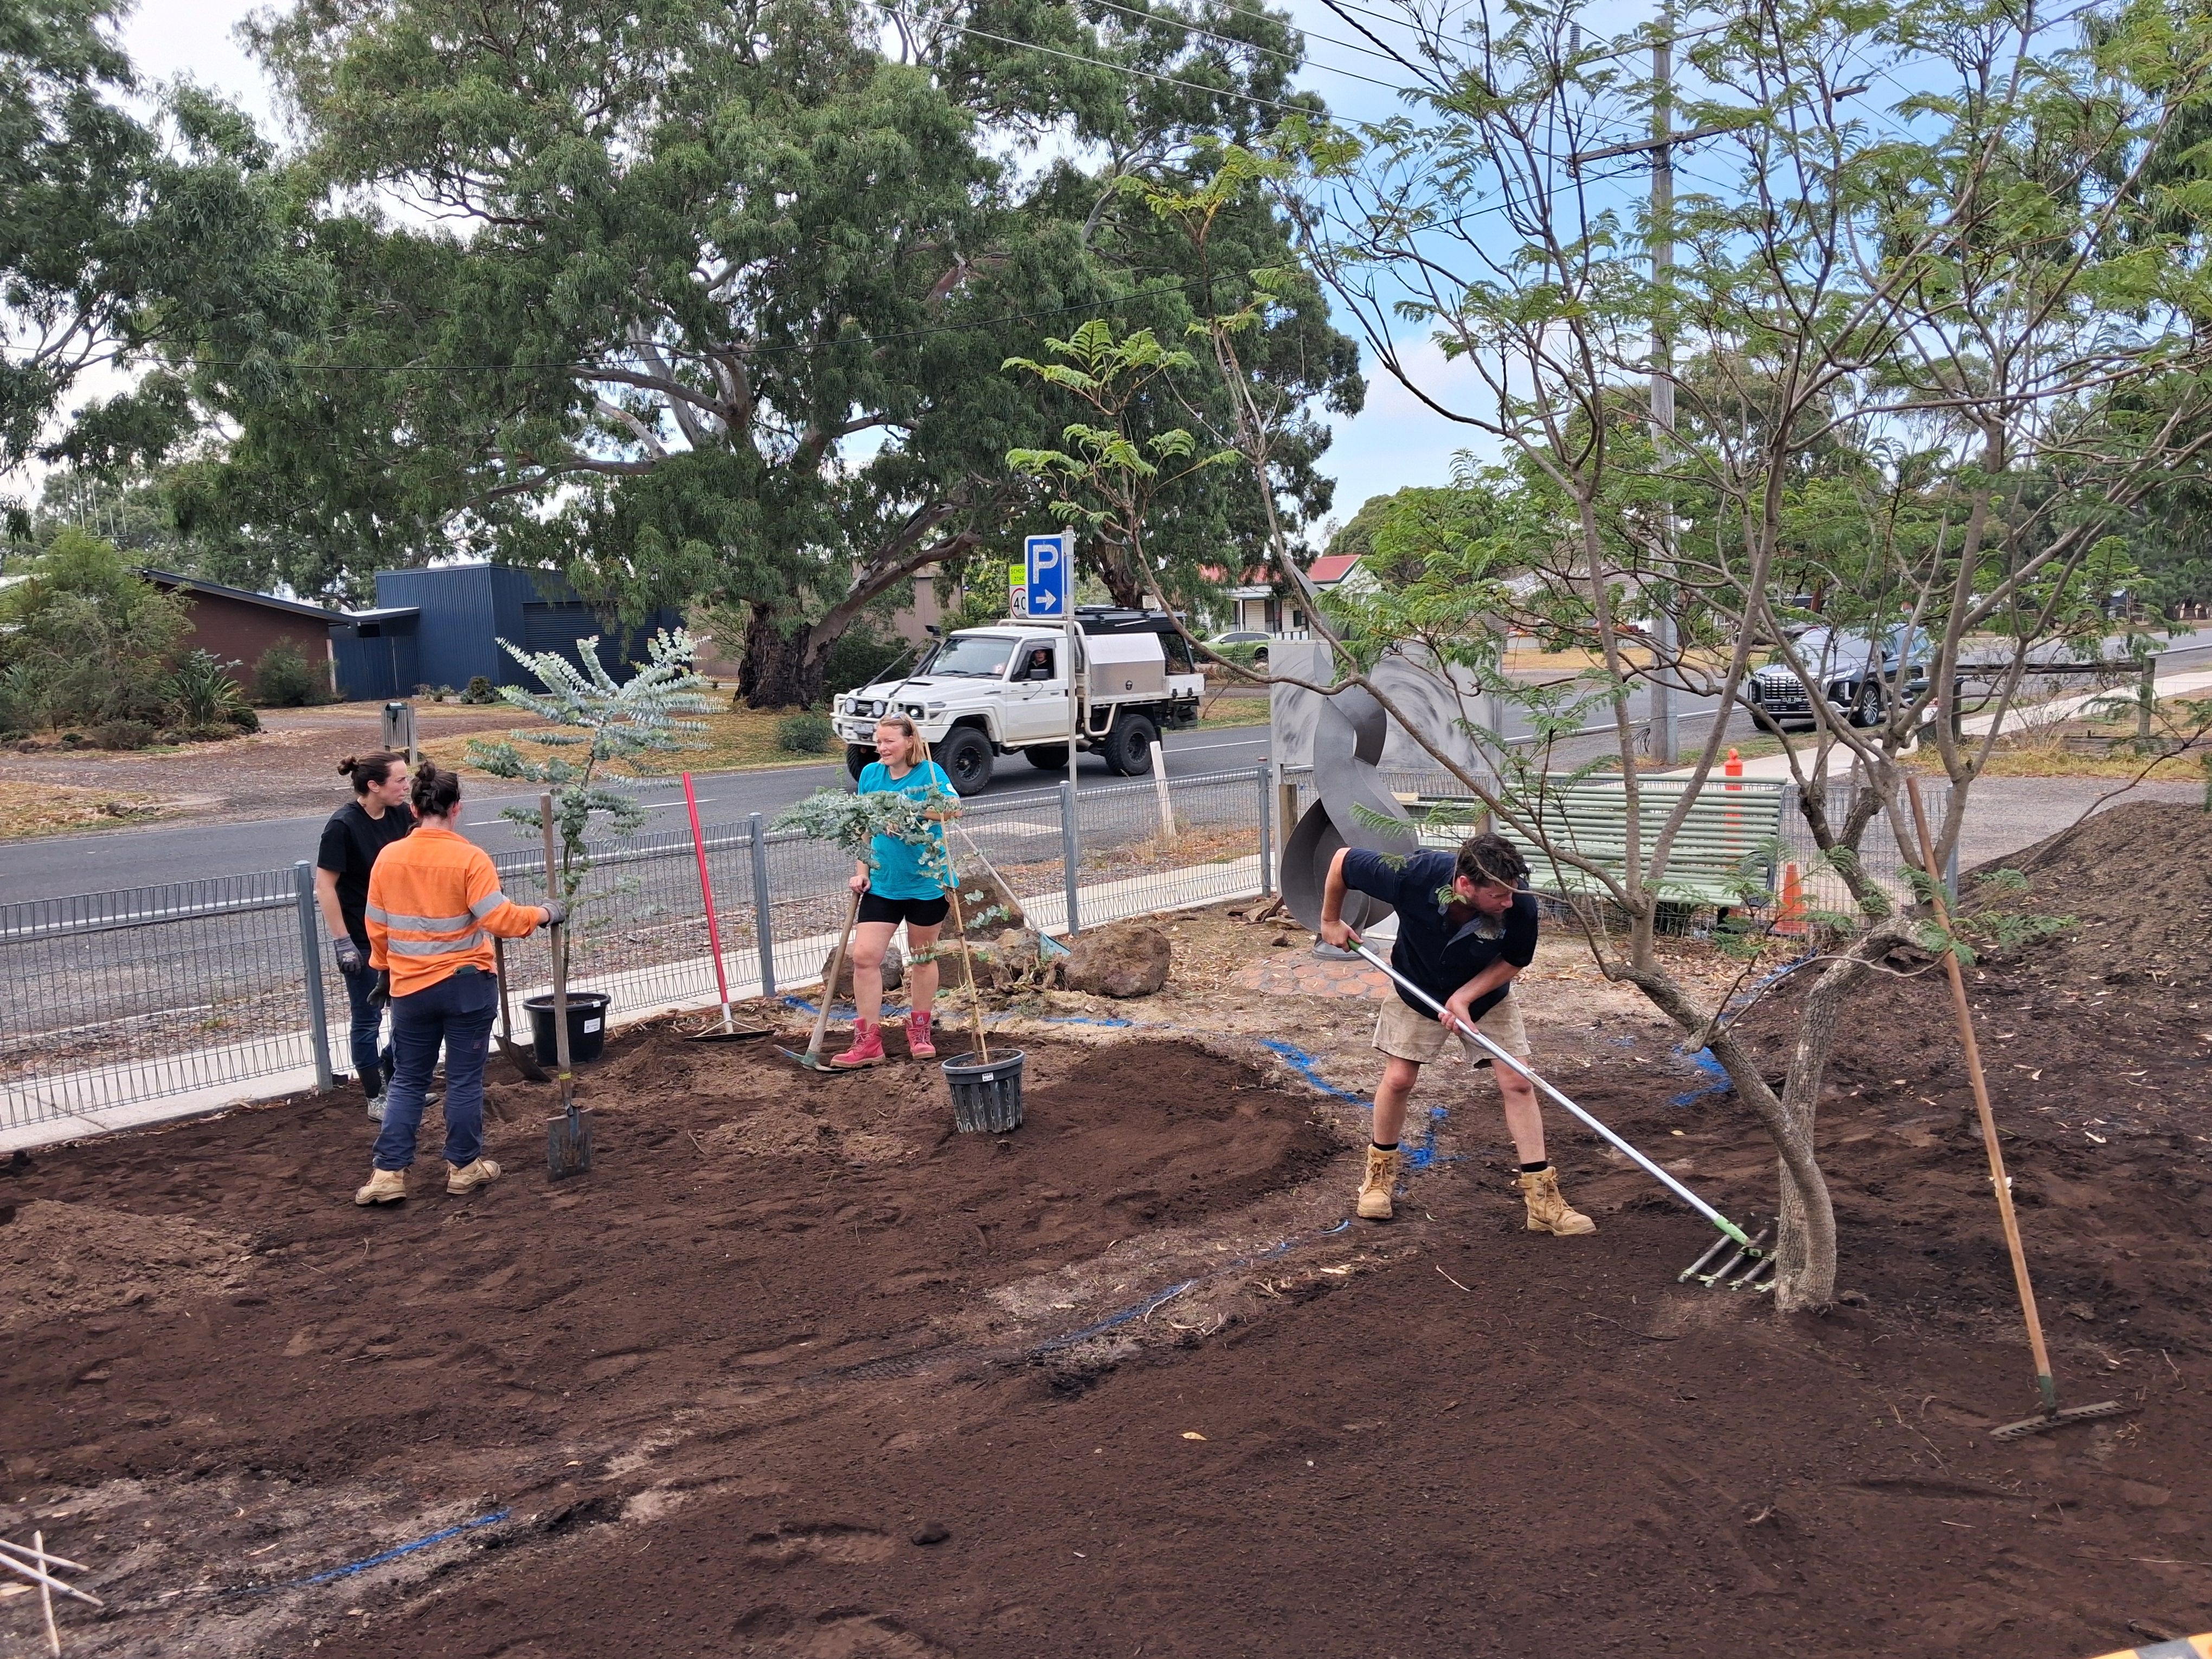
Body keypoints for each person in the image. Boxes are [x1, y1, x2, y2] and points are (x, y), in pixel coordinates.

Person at [1319, 831, 1595, 1236]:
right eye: (1498, 895)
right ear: (1465, 885)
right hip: (1418, 985)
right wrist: (1329, 920)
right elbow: (1342, 860)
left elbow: (1516, 958)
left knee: (1518, 1082)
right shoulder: (1413, 875)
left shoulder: (1519, 901)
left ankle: (1542, 1200)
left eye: (1512, 891)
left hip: (1485, 993)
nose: (1508, 901)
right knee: (1398, 1080)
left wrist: (1465, 998)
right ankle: (1378, 1178)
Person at [352, 761, 561, 1206]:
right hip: (466, 987)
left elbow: (376, 926)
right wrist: (544, 914)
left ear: (413, 808)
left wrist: (385, 969)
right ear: (457, 809)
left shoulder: (389, 858)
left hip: (410, 989)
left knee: (408, 1079)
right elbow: (500, 919)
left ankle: (388, 1174)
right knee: (464, 1080)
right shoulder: (469, 858)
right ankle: (464, 1168)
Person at [832, 712, 954, 1068]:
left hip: (926, 882)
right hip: (883, 884)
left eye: (888, 741)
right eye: (878, 741)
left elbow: (953, 811)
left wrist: (906, 811)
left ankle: (920, 1031)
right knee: (865, 957)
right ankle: (868, 1043)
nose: (881, 748)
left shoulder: (930, 774)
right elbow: (863, 827)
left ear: (909, 742)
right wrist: (861, 871)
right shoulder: (871, 775)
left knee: (922, 958)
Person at [316, 753, 415, 1120]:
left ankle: (400, 1086)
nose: (407, 787)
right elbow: (325, 886)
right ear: (374, 785)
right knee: (368, 1018)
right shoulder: (342, 826)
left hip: (400, 936)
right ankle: (376, 1097)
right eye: (400, 781)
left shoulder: (401, 816)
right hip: (361, 938)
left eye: (407, 780)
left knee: (408, 1015)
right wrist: (343, 942)